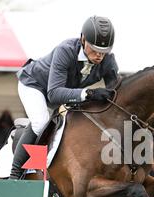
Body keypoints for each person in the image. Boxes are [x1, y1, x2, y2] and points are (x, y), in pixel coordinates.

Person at [10, 16, 119, 179]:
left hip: (63, 92)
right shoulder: (66, 50)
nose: (99, 55)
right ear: (83, 39)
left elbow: (116, 92)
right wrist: (89, 94)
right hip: (35, 84)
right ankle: (15, 175)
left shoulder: (108, 60)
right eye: (94, 49)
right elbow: (54, 95)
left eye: (103, 51)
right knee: (41, 123)